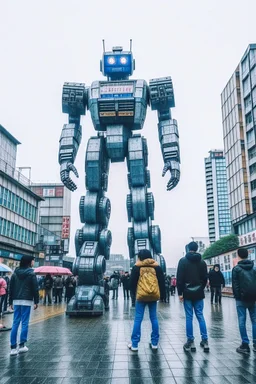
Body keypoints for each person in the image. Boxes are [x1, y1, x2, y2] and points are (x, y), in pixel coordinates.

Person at [128, 249, 165, 351]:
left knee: (138, 319)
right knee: (154, 318)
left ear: (140, 257)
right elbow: (162, 282)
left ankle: (134, 344)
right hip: (153, 296)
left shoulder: (136, 267)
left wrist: (133, 294)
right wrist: (162, 296)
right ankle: (154, 343)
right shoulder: (157, 267)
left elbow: (131, 283)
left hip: (141, 296)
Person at [177, 241, 209, 352]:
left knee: (189, 317)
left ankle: (190, 341)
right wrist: (201, 288)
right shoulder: (202, 262)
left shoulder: (183, 261)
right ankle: (205, 340)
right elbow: (205, 278)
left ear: (188, 248)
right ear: (197, 249)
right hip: (199, 293)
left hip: (187, 293)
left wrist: (180, 293)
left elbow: (180, 279)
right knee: (200, 316)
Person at [9, 255, 39, 356]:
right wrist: (36, 301)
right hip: (26, 300)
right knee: (25, 322)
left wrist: (10, 302)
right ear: (29, 262)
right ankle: (22, 346)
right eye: (33, 261)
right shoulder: (31, 273)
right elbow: (35, 288)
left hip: (16, 300)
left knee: (15, 322)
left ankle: (13, 348)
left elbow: (11, 288)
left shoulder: (15, 273)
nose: (33, 262)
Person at [232, 247, 256, 354]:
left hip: (241, 299)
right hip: (253, 298)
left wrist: (238, 297)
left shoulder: (236, 269)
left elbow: (235, 285)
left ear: (239, 256)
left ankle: (245, 344)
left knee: (242, 321)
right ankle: (255, 343)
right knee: (254, 320)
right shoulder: (254, 268)